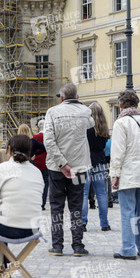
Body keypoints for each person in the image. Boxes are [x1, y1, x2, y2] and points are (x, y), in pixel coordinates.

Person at [43, 82, 93, 257]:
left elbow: (48, 141)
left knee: (56, 206)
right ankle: (78, 245)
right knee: (76, 205)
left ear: (61, 97)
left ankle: (57, 245)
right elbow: (91, 122)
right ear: (77, 97)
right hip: (79, 168)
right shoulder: (85, 112)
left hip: (57, 168)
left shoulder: (52, 112)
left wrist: (62, 164)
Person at [110, 90, 140, 260]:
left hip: (129, 174)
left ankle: (128, 249)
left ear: (120, 105)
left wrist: (115, 175)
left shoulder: (120, 123)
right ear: (136, 105)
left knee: (128, 213)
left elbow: (118, 152)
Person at [0, 134, 44, 265]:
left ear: (9, 150)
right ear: (29, 151)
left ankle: (3, 263)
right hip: (33, 228)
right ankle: (6, 261)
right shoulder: (37, 172)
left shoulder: (1, 168)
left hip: (8, 228)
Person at [82, 102, 110, 232]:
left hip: (85, 162)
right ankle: (104, 224)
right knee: (101, 194)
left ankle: (82, 223)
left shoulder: (85, 128)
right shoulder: (103, 128)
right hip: (99, 162)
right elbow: (104, 145)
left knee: (83, 194)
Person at [32, 119, 49, 210]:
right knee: (46, 184)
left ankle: (36, 202)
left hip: (36, 164)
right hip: (46, 164)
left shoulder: (34, 137)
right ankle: (43, 203)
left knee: (36, 185)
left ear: (39, 127)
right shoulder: (49, 136)